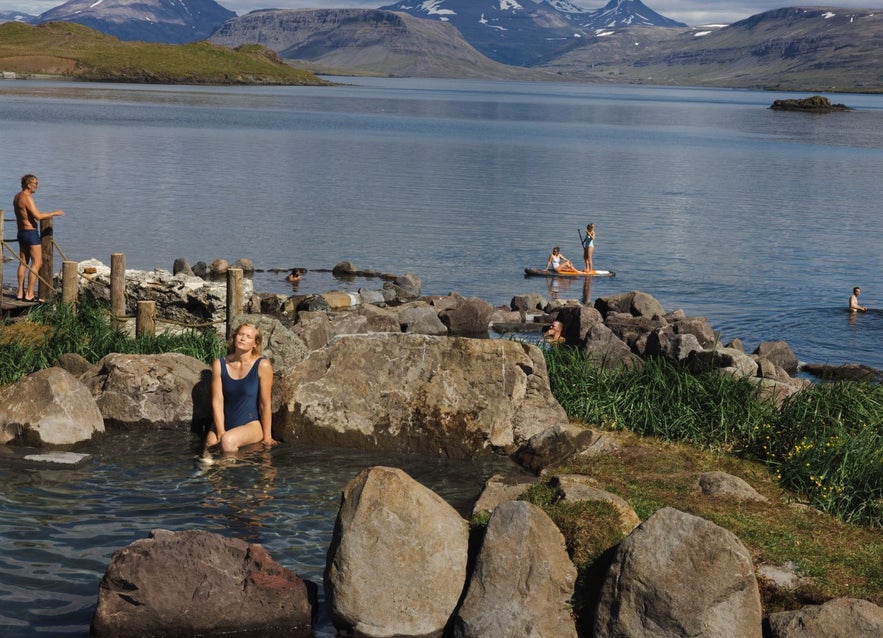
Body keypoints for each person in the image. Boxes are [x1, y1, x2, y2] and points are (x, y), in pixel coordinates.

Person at [205, 322, 276, 453]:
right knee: (209, 448)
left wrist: (267, 437)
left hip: (251, 424)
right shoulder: (220, 364)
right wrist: (220, 432)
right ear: (235, 337)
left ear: (255, 344)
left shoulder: (262, 365)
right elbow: (217, 401)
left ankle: (230, 472)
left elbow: (265, 404)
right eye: (240, 334)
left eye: (248, 336)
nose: (243, 338)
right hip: (223, 422)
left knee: (227, 441)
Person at [13, 174, 64, 302]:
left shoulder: (16, 197)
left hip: (21, 232)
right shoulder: (27, 198)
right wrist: (55, 213)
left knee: (23, 262)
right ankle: (29, 294)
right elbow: (37, 216)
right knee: (37, 263)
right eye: (35, 183)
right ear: (28, 184)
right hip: (30, 233)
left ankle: (20, 292)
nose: (37, 185)